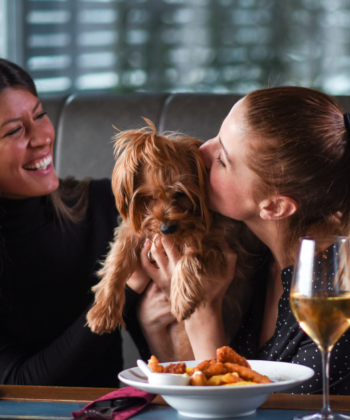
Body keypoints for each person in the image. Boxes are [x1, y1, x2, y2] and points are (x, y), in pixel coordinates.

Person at [138, 86, 350, 394]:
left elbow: (248, 413)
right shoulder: (246, 251)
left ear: (275, 207)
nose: (201, 152)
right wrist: (155, 327)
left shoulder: (334, 306)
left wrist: (200, 310)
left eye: (222, 159)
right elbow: (193, 382)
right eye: (217, 135)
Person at [0, 58, 151, 387]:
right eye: (14, 130)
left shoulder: (107, 205)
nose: (41, 136)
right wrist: (125, 283)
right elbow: (18, 385)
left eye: (39, 115)